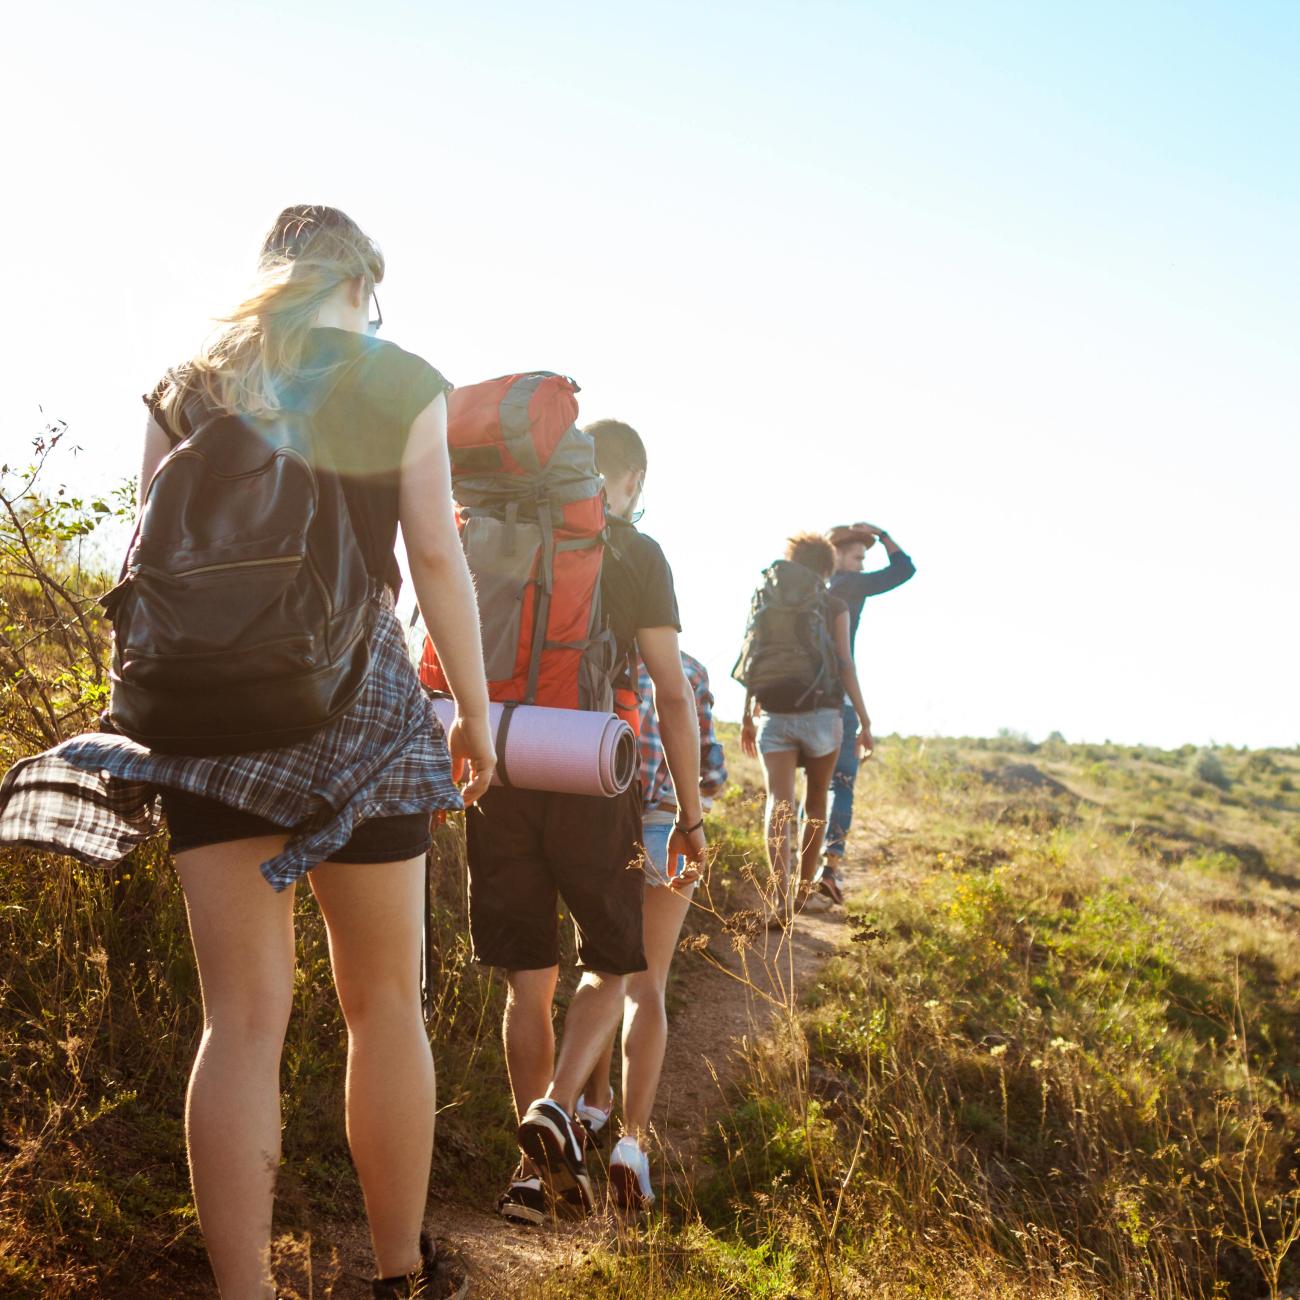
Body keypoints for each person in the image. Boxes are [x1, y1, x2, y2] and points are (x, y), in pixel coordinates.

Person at [0, 205, 494, 1299]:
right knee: (383, 1005)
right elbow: (437, 562)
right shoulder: (396, 379)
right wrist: (476, 710)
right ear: (361, 283)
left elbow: (148, 564)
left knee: (239, 1020)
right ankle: (401, 1274)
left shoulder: (186, 385)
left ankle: (245, 1293)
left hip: (207, 721)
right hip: (359, 708)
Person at [476, 418, 707, 1227]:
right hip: (591, 767)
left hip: (504, 761)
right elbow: (673, 695)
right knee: (612, 962)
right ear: (632, 481)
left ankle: (531, 1177)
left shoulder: (505, 531)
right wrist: (691, 814)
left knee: (527, 981)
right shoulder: (637, 553)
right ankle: (560, 1105)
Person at [576, 650, 727, 1213]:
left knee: (599, 970)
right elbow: (710, 769)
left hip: (596, 824)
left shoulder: (591, 657)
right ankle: (631, 1145)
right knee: (648, 984)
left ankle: (592, 1104)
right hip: (667, 822)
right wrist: (693, 815)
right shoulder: (685, 670)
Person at [740, 533, 871, 926]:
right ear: (827, 567)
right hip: (823, 716)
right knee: (815, 804)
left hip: (774, 714)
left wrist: (747, 713)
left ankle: (778, 898)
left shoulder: (766, 597)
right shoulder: (833, 604)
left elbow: (750, 653)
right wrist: (865, 720)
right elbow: (845, 664)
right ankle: (800, 892)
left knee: (777, 805)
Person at [821, 522, 915, 901]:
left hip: (801, 703)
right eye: (859, 557)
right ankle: (829, 868)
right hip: (838, 703)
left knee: (812, 790)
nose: (861, 565)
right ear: (839, 557)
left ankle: (801, 868)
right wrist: (884, 533)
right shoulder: (849, 585)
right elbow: (903, 571)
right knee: (841, 785)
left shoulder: (815, 590)